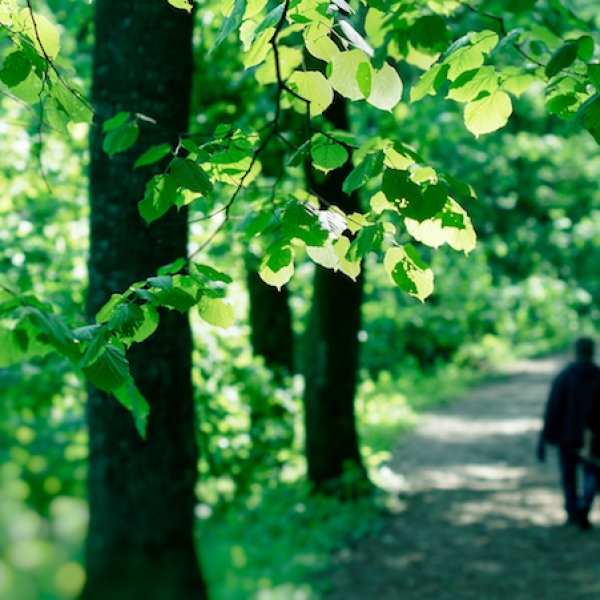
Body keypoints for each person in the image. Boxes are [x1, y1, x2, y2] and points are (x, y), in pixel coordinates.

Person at [538, 337, 600, 530]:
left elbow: (553, 408)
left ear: (575, 351)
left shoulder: (564, 377)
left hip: (567, 438)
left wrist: (545, 438)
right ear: (593, 351)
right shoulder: (598, 376)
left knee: (568, 475)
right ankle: (584, 503)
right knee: (593, 474)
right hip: (593, 438)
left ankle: (573, 511)